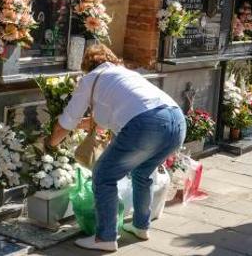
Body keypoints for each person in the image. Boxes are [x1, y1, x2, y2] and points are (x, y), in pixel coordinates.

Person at [47, 44, 185, 252]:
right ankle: (140, 226)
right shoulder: (124, 74)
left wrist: (49, 144)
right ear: (111, 59)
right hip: (176, 120)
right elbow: (101, 118)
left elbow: (67, 122)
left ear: (87, 66)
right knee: (142, 172)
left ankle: (105, 238)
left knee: (103, 175)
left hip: (146, 124)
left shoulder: (90, 79)